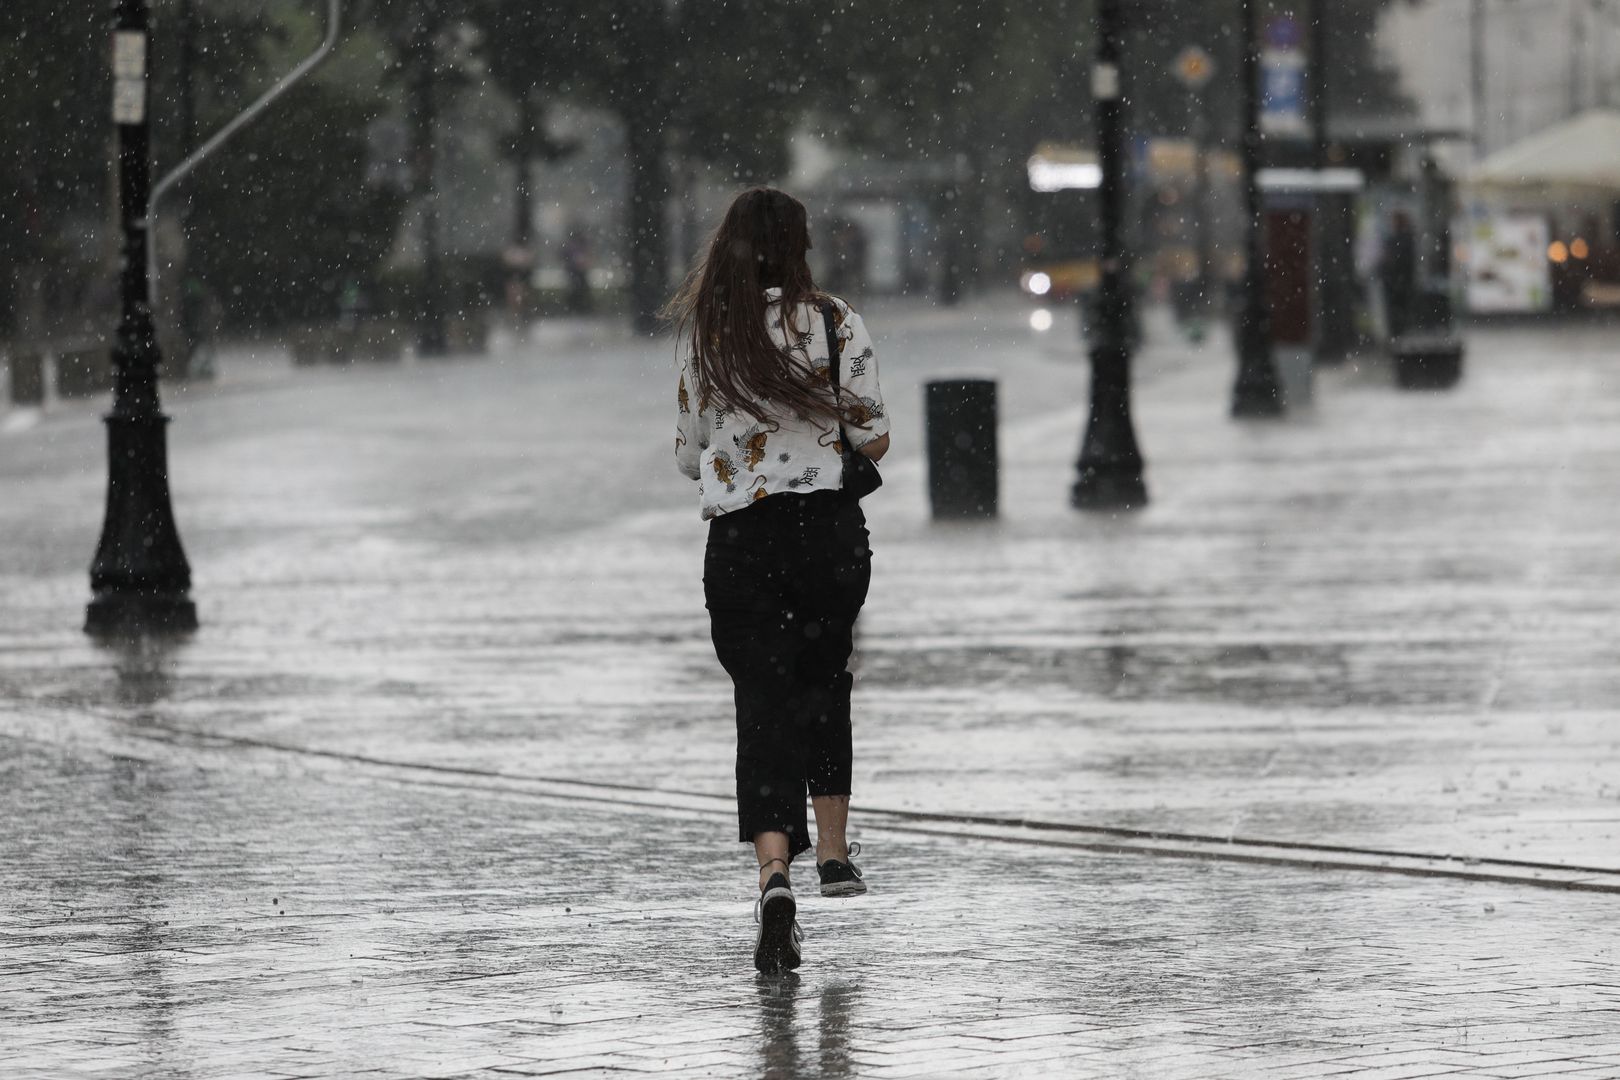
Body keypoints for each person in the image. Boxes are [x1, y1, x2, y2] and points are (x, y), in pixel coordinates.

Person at [665, 188, 890, 974]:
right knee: (824, 678)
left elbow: (692, 450)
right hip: (825, 535)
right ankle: (832, 852)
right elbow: (874, 433)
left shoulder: (709, 331)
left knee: (760, 702)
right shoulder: (833, 319)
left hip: (742, 543)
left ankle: (771, 875)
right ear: (799, 245)